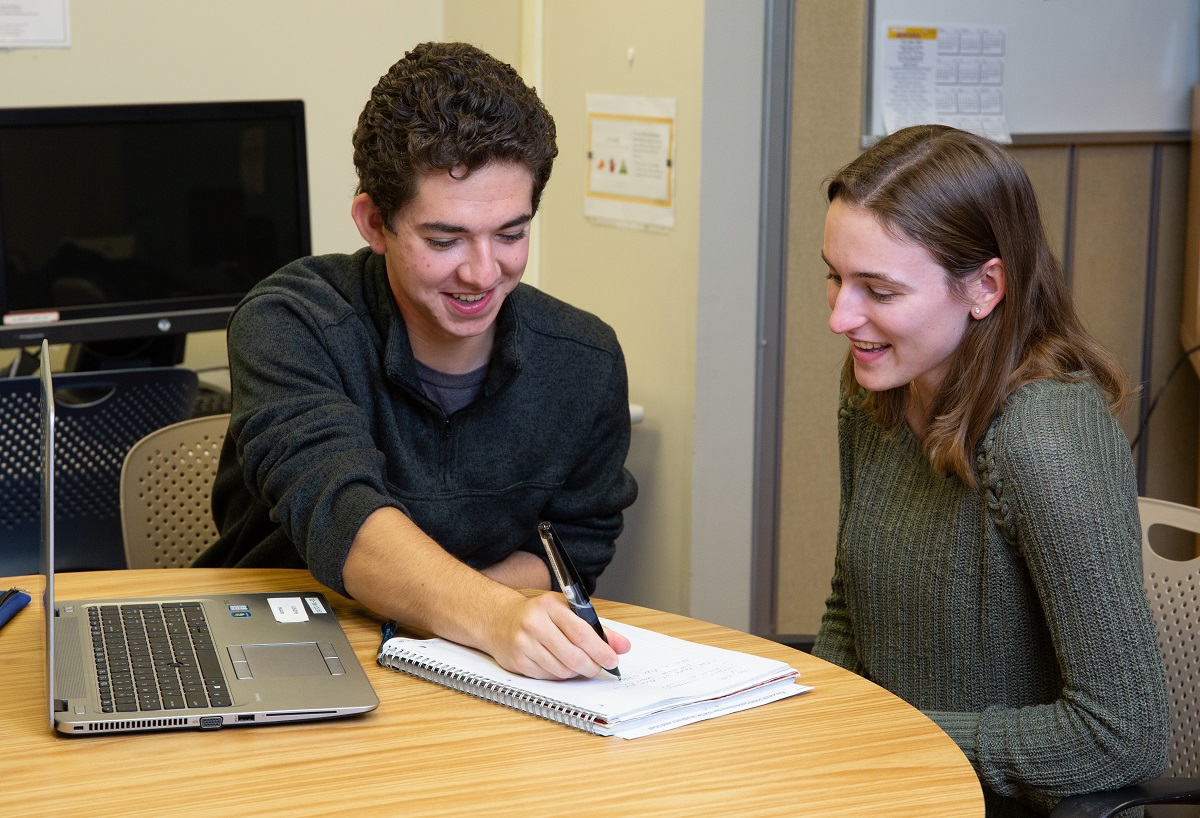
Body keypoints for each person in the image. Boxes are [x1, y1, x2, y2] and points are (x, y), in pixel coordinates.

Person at [194, 42, 637, 680]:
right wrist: (487, 617)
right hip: (271, 661)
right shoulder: (291, 323)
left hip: (471, 670)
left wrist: (453, 625)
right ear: (375, 223)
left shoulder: (584, 359)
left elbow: (577, 540)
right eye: (444, 238)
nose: (484, 272)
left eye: (511, 234)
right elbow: (343, 511)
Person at [813, 124, 1169, 816]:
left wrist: (899, 737)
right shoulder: (873, 389)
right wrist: (817, 725)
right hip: (888, 785)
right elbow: (847, 608)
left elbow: (1124, 734)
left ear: (984, 288)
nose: (841, 317)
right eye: (835, 276)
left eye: (879, 292)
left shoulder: (1046, 438)